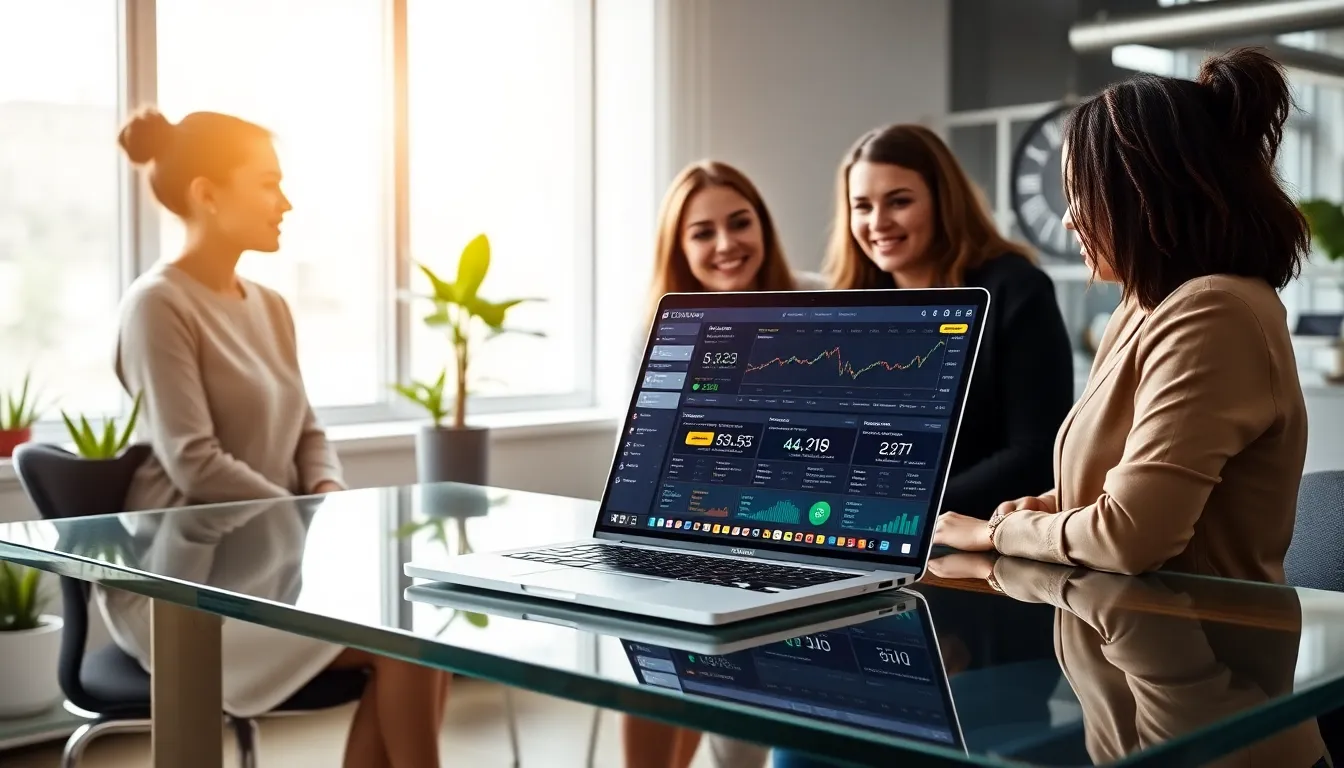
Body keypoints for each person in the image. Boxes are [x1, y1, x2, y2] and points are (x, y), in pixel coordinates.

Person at [104, 107, 450, 768]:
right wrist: (305, 520)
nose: (285, 202)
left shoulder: (271, 305)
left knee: (416, 633)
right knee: (405, 642)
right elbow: (194, 461)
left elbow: (308, 431)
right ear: (207, 193)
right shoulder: (158, 304)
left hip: (269, 569)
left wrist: (325, 492)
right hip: (182, 590)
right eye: (267, 183)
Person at [931, 47, 1310, 583]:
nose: (1068, 219)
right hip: (1114, 634)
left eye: (1080, 194)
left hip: (1192, 644)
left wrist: (995, 534)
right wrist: (1044, 506)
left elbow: (1130, 534)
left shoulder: (1214, 312)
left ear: (1143, 195)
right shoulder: (1141, 306)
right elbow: (1120, 485)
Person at [622, 159, 819, 768]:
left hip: (803, 537)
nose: (727, 244)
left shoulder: (820, 301)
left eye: (740, 222)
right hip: (698, 540)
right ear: (680, 247)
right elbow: (644, 470)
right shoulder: (661, 330)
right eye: (702, 232)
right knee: (654, 639)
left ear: (764, 225)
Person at [823, 123, 1074, 519]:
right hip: (860, 527)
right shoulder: (849, 306)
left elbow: (1037, 452)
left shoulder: (1016, 289)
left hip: (973, 539)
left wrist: (905, 509)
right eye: (862, 206)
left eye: (899, 201)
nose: (878, 222)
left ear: (944, 201)